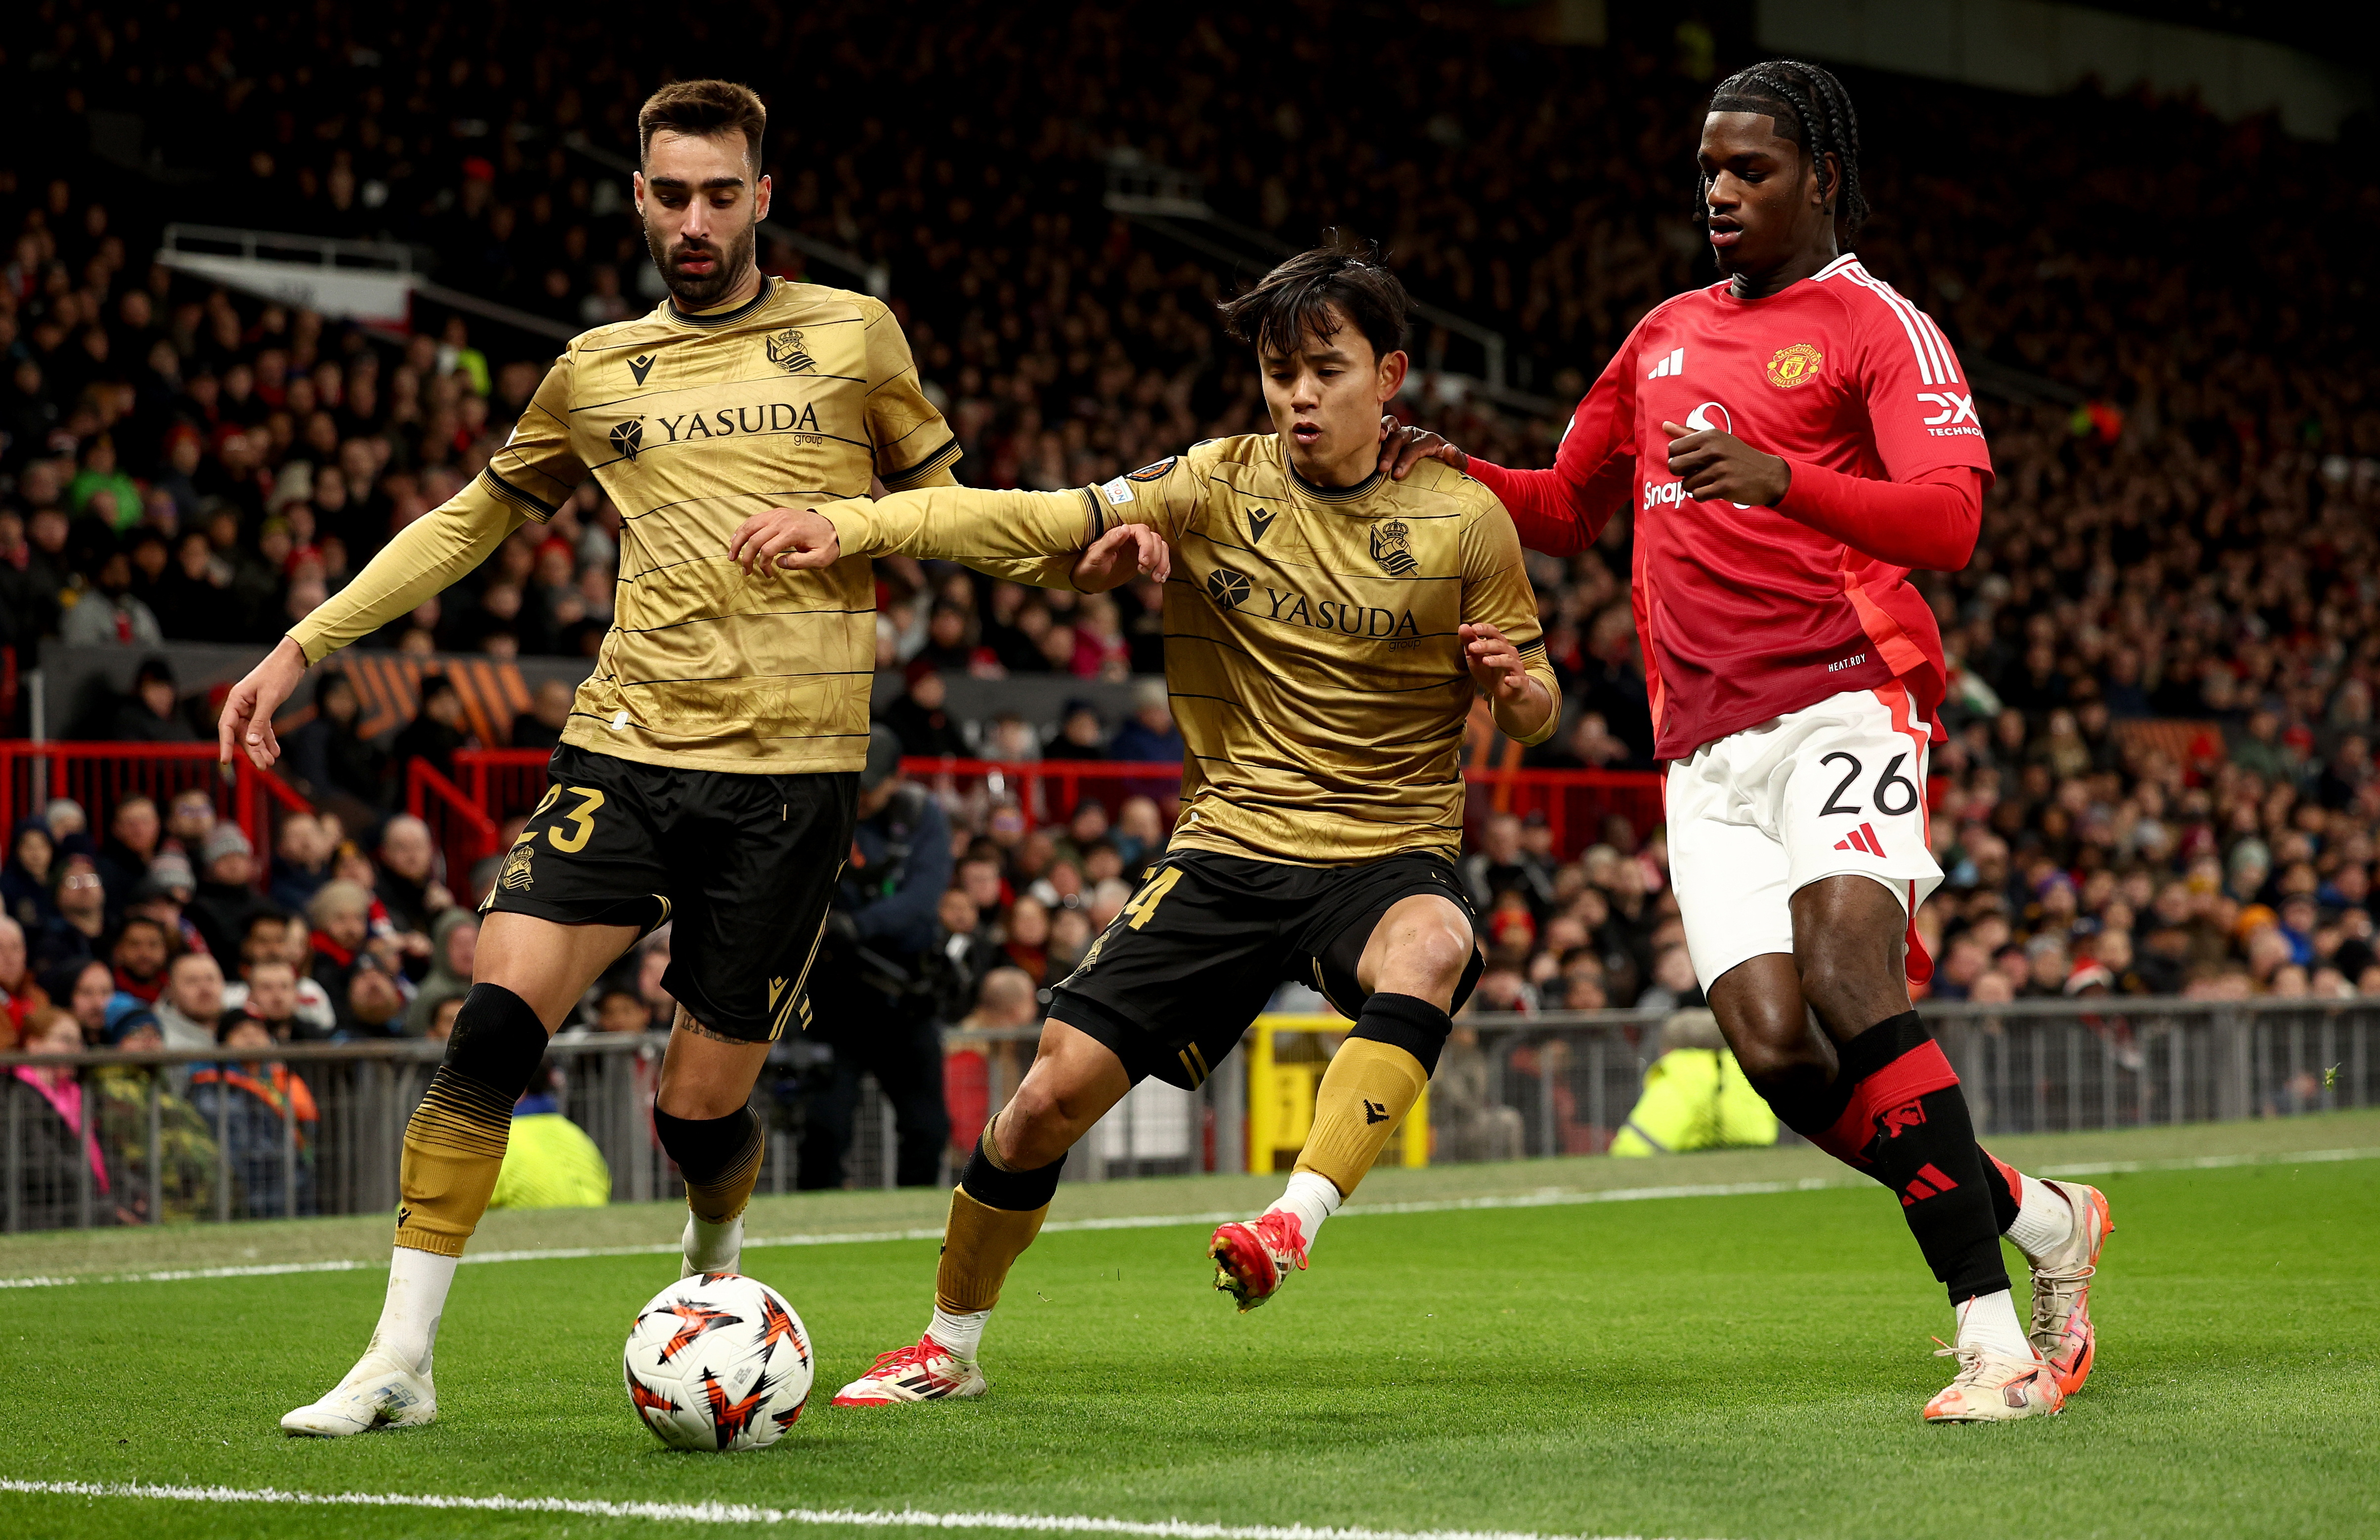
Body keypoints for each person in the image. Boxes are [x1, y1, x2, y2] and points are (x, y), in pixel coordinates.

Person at [217, 77, 1161, 1437]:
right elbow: (468, 521)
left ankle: (713, 1258)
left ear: (764, 196)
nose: (698, 218)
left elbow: (951, 506)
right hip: (625, 747)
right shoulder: (596, 367)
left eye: (724, 193)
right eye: (673, 194)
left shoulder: (852, 336)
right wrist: (305, 642)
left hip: (792, 778)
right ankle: (399, 1357)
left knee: (695, 1110)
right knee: (491, 1023)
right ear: (642, 196)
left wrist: (1080, 564)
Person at [1381, 59, 2106, 1424]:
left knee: (1847, 974)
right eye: (1709, 168)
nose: (1719, 190)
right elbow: (1566, 506)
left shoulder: (1881, 326)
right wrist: (1448, 464)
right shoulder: (1659, 336)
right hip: (1702, 745)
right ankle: (2040, 1214)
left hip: (1846, 690)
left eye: (1750, 169)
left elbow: (1952, 520)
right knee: (1774, 1048)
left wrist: (1790, 480)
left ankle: (1996, 1340)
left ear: (1819, 175)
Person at [742, 242, 1557, 1404]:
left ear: (1392, 376)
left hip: (1382, 850)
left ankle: (1292, 1218)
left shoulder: (1465, 520)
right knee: (1042, 1099)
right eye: (1281, 373)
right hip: (1228, 845)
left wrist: (1513, 692)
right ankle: (947, 1345)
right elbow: (1037, 521)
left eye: (1325, 368)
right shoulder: (1213, 482)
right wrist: (861, 525)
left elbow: (1537, 705)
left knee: (1435, 942)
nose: (1298, 395)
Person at [797, 727, 956, 1190]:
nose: (860, 798)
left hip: (903, 1000)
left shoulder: (923, 817)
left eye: (869, 788)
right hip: (836, 999)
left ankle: (922, 1230)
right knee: (824, 1129)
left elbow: (922, 899)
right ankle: (815, 1231)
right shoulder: (827, 813)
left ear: (897, 778)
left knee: (928, 1130)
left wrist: (856, 926)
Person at [188, 1014, 318, 1219]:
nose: (252, 1039)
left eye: (258, 1032)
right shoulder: (212, 1085)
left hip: (293, 1179)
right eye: (242, 1033)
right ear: (224, 1043)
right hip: (246, 1182)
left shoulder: (285, 1079)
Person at [1608, 1009, 1779, 1155]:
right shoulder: (1750, 1071)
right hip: (1758, 1163)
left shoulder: (1681, 1073)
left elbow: (1635, 1147)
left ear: (1671, 1048)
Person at [6, 1008, 112, 1228]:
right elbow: (39, 1160)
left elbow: (106, 1153)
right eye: (66, 1041)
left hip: (80, 1201)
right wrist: (94, 1192)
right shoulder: (12, 1093)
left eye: (78, 1043)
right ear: (33, 1045)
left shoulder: (78, 1095)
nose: (75, 1050)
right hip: (36, 1210)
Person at [153, 950, 230, 1053]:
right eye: (192, 981)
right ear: (170, 991)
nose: (205, 989)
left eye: (211, 979)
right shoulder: (158, 1041)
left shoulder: (242, 1025)